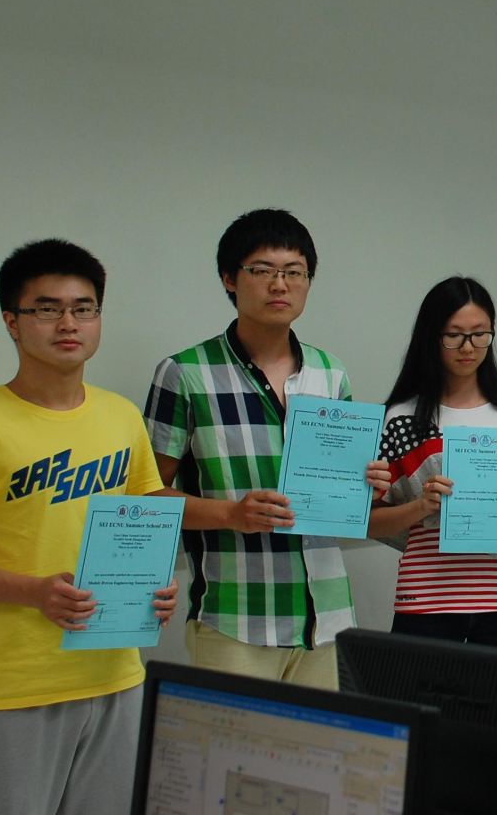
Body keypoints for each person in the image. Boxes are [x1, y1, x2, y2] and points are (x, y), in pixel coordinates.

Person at [0, 239, 179, 815]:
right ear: (12, 322)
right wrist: (34, 593)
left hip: (115, 673)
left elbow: (145, 516)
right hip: (14, 686)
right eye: (47, 309)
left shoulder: (121, 415)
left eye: (84, 308)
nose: (68, 323)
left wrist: (156, 584)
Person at [144, 208, 389, 688]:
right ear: (229, 279)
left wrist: (368, 485)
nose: (280, 285)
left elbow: (341, 500)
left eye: (295, 272)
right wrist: (232, 514)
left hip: (327, 619)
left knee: (325, 739)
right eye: (263, 270)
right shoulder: (185, 373)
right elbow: (146, 496)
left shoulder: (330, 372)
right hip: (235, 620)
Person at [370, 276, 497, 649]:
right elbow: (371, 521)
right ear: (431, 336)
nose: (468, 347)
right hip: (427, 599)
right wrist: (422, 506)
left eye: (480, 334)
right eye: (454, 335)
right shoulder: (400, 419)